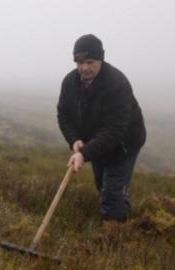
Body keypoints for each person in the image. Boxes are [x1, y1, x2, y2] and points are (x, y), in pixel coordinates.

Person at [57, 34, 146, 222]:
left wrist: (85, 153)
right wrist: (74, 140)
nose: (84, 68)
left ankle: (115, 238)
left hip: (123, 145)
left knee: (112, 196)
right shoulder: (70, 83)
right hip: (96, 143)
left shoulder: (116, 84)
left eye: (90, 62)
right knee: (102, 186)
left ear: (101, 59)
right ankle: (123, 210)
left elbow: (115, 130)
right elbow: (63, 115)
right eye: (79, 62)